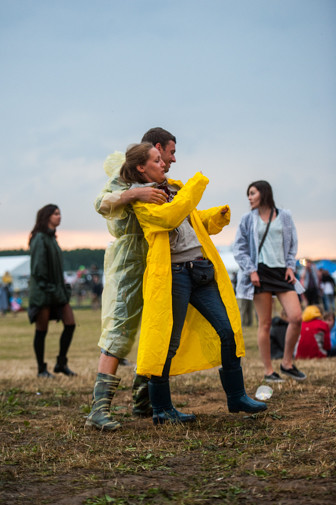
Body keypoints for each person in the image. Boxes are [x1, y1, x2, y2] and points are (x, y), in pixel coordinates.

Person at [119, 143, 267, 426]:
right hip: (174, 276)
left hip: (201, 271)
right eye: (157, 160)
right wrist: (196, 185)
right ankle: (162, 409)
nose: (164, 163)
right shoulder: (142, 201)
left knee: (228, 331)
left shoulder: (174, 189)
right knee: (167, 343)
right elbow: (169, 217)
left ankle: (237, 397)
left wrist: (214, 216)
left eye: (163, 159)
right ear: (142, 167)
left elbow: (190, 220)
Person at [85, 128, 175, 431]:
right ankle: (98, 410)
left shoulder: (161, 182)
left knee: (154, 329)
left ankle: (141, 398)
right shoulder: (124, 183)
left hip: (156, 263)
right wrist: (135, 193)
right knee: (119, 331)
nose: (167, 161)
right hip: (127, 266)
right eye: (163, 156)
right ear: (142, 164)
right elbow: (101, 204)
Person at [233, 180, 306, 383]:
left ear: (263, 193)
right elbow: (239, 248)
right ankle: (268, 370)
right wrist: (251, 271)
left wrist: (291, 266)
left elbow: (292, 243)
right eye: (248, 194)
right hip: (260, 273)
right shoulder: (247, 219)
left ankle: (287, 363)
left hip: (282, 272)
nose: (249, 197)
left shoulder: (285, 216)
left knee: (296, 317)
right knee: (264, 324)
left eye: (252, 193)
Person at [28, 204, 76, 378]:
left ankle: (61, 363)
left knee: (70, 324)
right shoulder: (40, 238)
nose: (59, 216)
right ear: (47, 216)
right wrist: (49, 288)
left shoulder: (52, 238)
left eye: (60, 213)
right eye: (56, 214)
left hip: (57, 291)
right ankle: (41, 369)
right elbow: (38, 270)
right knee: (42, 330)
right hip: (44, 292)